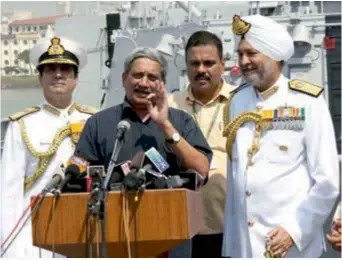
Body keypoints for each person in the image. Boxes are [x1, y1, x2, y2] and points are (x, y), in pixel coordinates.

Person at [222, 14, 339, 258]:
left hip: (292, 246)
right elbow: (236, 178)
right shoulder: (237, 100)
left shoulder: (307, 100)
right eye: (240, 54)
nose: (244, 61)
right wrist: (232, 247)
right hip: (246, 248)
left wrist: (294, 231)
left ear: (274, 54)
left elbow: (327, 181)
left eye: (251, 53)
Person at [0, 36, 97, 258]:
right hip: (36, 236)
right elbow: (9, 191)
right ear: (41, 77)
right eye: (50, 69)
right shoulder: (23, 124)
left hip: (86, 228)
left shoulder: (94, 120)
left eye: (66, 69)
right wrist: (10, 250)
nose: (58, 74)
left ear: (76, 78)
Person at [74, 47, 212, 185]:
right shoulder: (98, 123)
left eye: (152, 77)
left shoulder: (182, 121)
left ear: (162, 84)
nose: (144, 83)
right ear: (123, 79)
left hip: (170, 205)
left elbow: (202, 170)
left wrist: (166, 125)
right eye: (138, 75)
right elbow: (79, 178)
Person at [168, 30, 233, 257]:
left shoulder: (242, 102)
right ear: (185, 66)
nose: (201, 70)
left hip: (231, 226)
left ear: (223, 64)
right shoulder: (168, 107)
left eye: (209, 63)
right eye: (194, 63)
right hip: (180, 228)